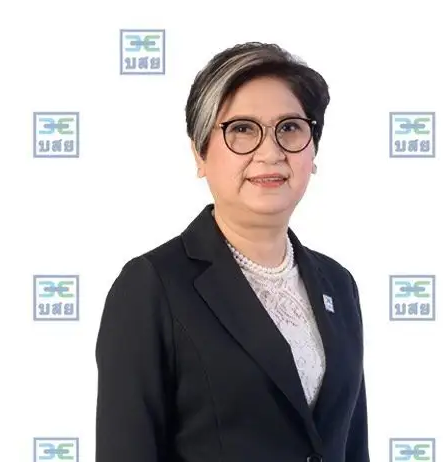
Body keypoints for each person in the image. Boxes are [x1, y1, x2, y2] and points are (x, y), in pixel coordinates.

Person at [95, 42, 369, 462]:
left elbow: (352, 446)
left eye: (289, 128)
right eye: (242, 129)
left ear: (313, 150)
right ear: (200, 152)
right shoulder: (152, 286)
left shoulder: (338, 283)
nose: (271, 152)